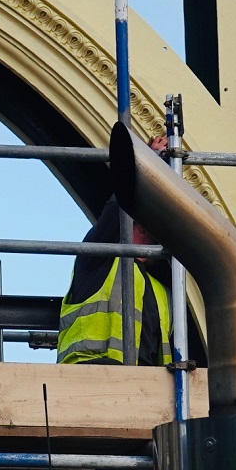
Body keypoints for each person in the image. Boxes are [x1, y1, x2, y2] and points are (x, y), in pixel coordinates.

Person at [58, 137, 176, 366]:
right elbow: (116, 209)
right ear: (139, 223)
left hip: (145, 389)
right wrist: (145, 165)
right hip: (89, 373)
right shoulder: (97, 262)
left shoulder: (165, 293)